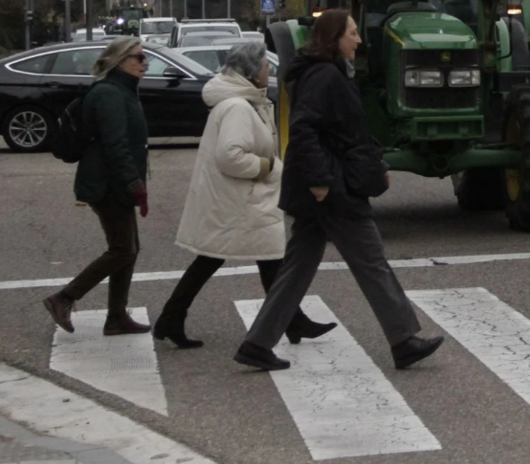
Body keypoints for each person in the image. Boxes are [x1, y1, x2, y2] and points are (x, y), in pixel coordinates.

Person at [234, 9, 443, 371]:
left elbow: (344, 131)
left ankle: (257, 344)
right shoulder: (324, 76)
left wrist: (374, 166)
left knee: (297, 268)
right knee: (371, 261)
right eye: (352, 33)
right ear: (334, 38)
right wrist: (319, 181)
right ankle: (404, 339)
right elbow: (304, 130)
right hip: (331, 188)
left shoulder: (326, 73)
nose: (359, 40)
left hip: (324, 186)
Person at [154, 42, 337, 349]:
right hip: (240, 199)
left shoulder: (242, 101)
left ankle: (172, 318)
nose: (270, 70)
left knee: (230, 259)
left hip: (235, 199)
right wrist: (267, 167)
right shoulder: (238, 107)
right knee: (263, 258)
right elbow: (230, 156)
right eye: (266, 66)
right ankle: (291, 322)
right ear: (252, 73)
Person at [43, 37, 152, 336]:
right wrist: (134, 183)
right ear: (120, 61)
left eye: (144, 58)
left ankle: (116, 317)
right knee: (122, 249)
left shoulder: (122, 90)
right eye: (138, 58)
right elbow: (115, 144)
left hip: (114, 181)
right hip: (107, 183)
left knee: (129, 248)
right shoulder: (109, 94)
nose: (145, 63)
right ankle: (63, 298)